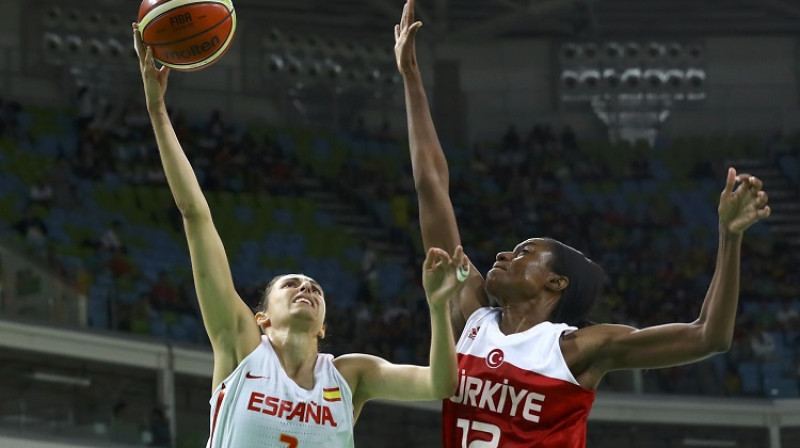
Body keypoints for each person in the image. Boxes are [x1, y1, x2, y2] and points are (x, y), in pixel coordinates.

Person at [393, 1, 772, 446]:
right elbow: (431, 186)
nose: (502, 255)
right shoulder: (472, 315)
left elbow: (709, 336)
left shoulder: (578, 349)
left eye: (524, 253)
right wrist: (413, 81)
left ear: (556, 282)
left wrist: (729, 239)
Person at [133, 23, 466, 448]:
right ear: (262, 317)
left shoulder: (350, 376)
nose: (306, 287)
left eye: (314, 288)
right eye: (290, 284)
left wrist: (438, 310)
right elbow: (195, 215)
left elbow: (440, 384)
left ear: (324, 327)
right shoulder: (240, 346)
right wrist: (157, 111)